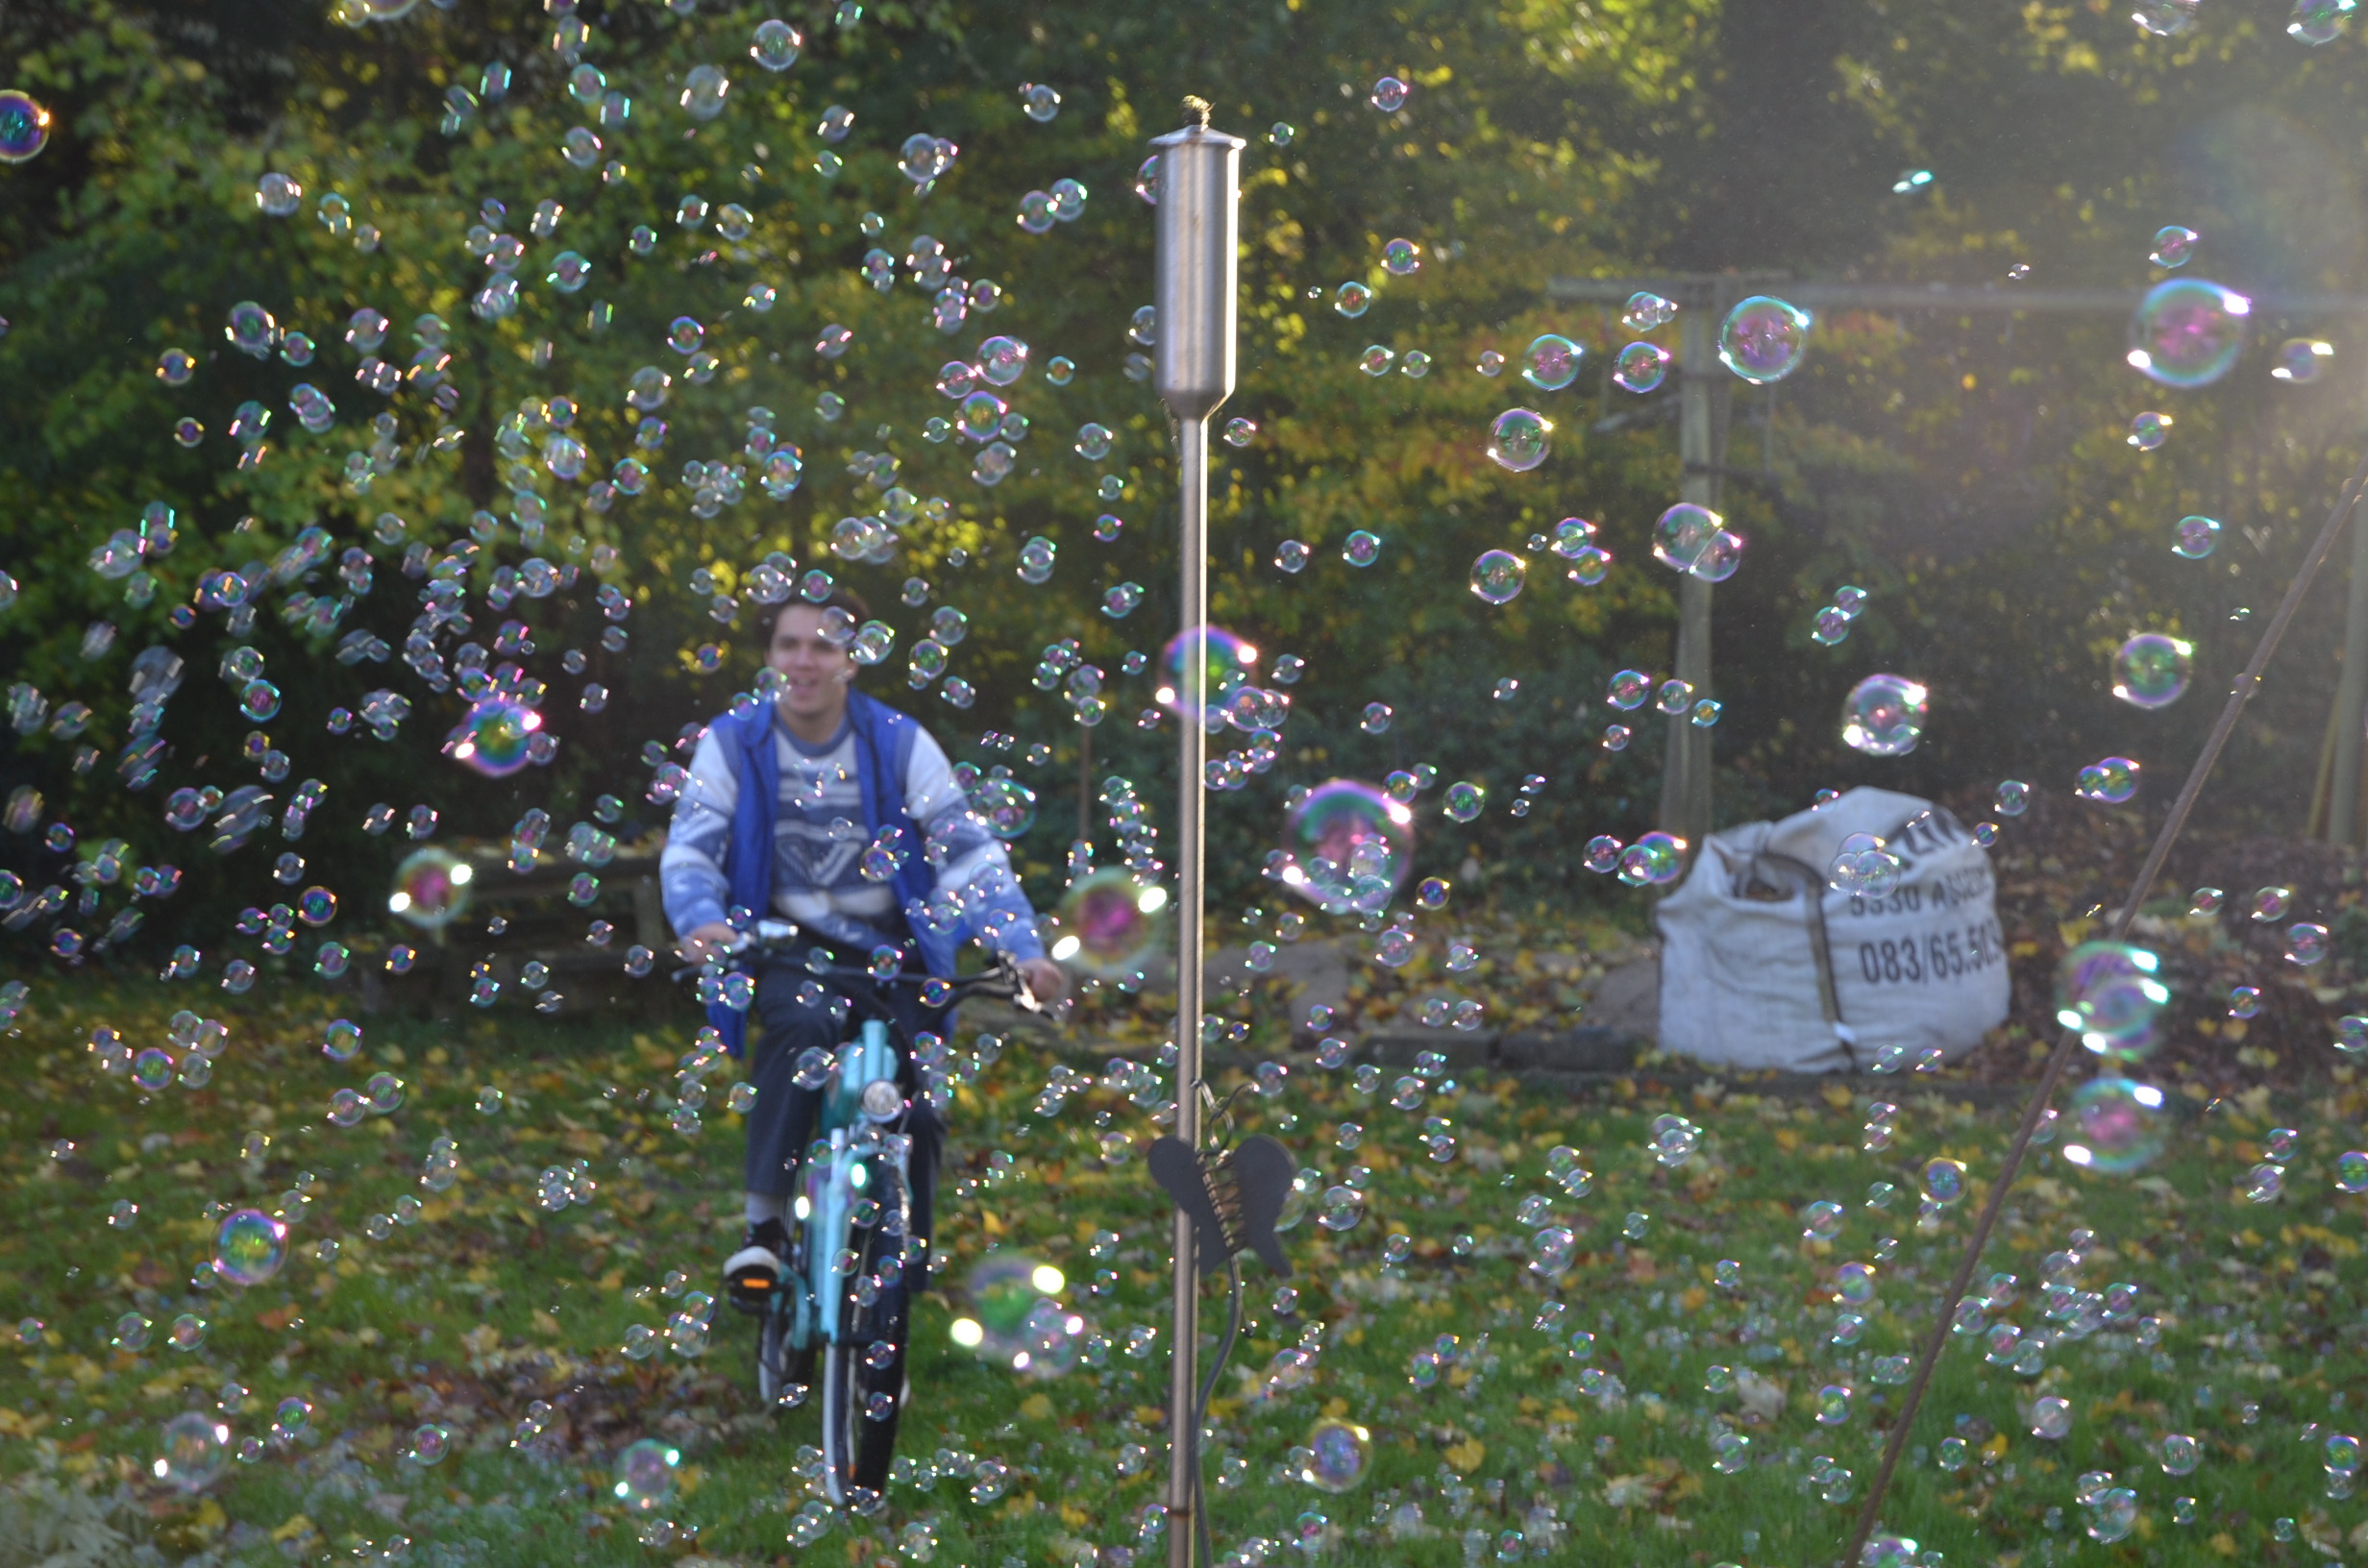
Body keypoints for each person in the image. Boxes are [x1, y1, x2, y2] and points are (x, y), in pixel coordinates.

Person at [661, 586, 1068, 1311]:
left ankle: (896, 1290)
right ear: (769, 658)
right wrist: (701, 919)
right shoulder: (735, 743)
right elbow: (692, 847)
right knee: (801, 1029)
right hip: (787, 946)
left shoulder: (898, 742)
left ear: (853, 659)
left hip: (897, 948)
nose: (805, 659)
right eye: (789, 644)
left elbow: (967, 853)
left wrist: (1021, 948)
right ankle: (767, 1228)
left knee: (920, 1104)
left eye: (824, 644)